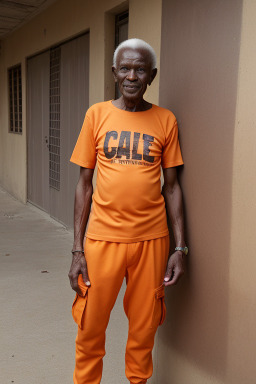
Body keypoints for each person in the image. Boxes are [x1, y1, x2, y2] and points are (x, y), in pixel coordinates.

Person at [68, 38, 187, 384]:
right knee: (89, 328)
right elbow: (84, 185)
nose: (132, 75)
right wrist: (77, 249)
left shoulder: (166, 120)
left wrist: (180, 248)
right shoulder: (96, 115)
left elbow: (173, 187)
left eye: (139, 69)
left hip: (152, 242)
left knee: (144, 330)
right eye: (125, 68)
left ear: (152, 75)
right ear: (114, 73)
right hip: (101, 241)